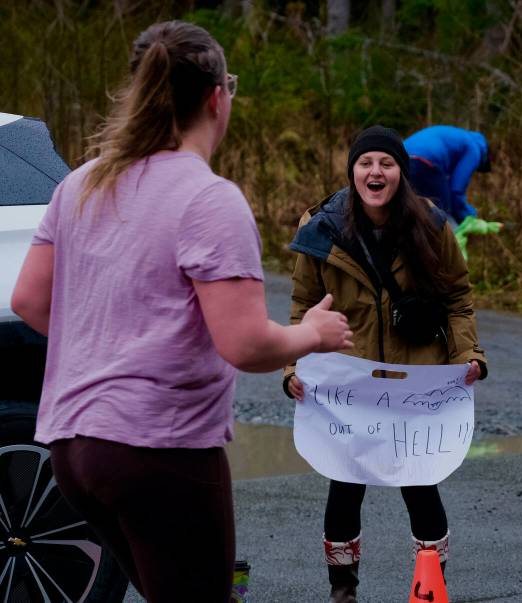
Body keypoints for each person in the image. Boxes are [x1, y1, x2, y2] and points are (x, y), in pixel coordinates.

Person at [10, 20, 352, 603]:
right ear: (218, 97)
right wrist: (311, 334)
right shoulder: (208, 198)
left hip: (73, 449)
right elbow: (245, 345)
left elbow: (29, 302)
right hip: (156, 449)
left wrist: (107, 343)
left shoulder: (82, 184)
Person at [283, 125, 488, 602]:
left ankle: (430, 590)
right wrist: (294, 369)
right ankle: (343, 592)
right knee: (344, 488)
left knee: (420, 487)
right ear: (353, 170)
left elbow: (458, 298)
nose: (375, 172)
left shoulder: (433, 225)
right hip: (347, 384)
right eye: (366, 163)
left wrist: (469, 356)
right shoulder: (319, 228)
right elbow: (302, 308)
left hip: (415, 380)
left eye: (387, 164)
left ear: (402, 172)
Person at [404, 125, 502, 257]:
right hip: (426, 161)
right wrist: (468, 216)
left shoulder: (461, 138)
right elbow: (456, 190)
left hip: (401, 160)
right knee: (443, 214)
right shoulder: (474, 150)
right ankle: (455, 260)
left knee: (415, 210)